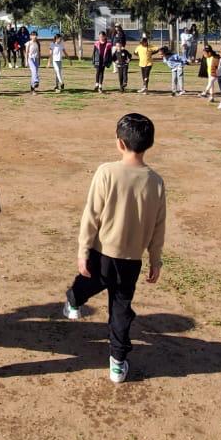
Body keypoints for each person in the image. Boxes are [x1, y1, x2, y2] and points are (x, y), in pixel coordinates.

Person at [63, 112, 165, 384]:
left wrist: (83, 249)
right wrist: (156, 259)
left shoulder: (107, 172)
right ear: (149, 143)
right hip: (131, 259)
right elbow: (159, 226)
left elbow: (91, 214)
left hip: (104, 252)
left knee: (103, 289)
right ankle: (117, 362)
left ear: (120, 143)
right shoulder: (155, 181)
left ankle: (74, 298)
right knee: (118, 305)